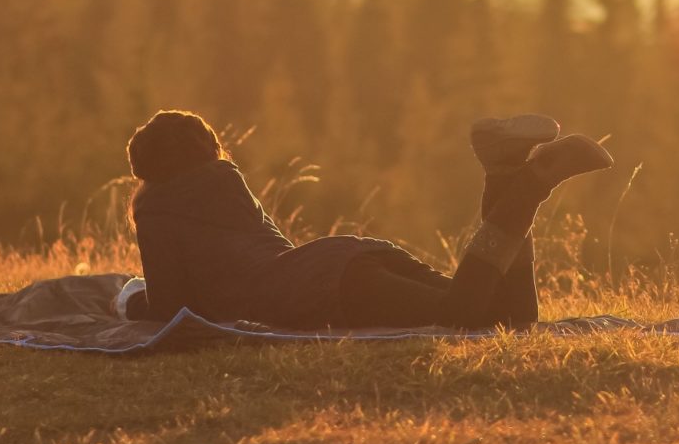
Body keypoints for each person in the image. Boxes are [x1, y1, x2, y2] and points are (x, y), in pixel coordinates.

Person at [125, 109, 613, 330]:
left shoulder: (155, 210)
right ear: (207, 151)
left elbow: (173, 313)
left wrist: (132, 302)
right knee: (508, 317)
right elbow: (273, 252)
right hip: (342, 258)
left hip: (326, 287)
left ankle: (528, 187)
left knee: (462, 316)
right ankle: (503, 172)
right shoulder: (226, 184)